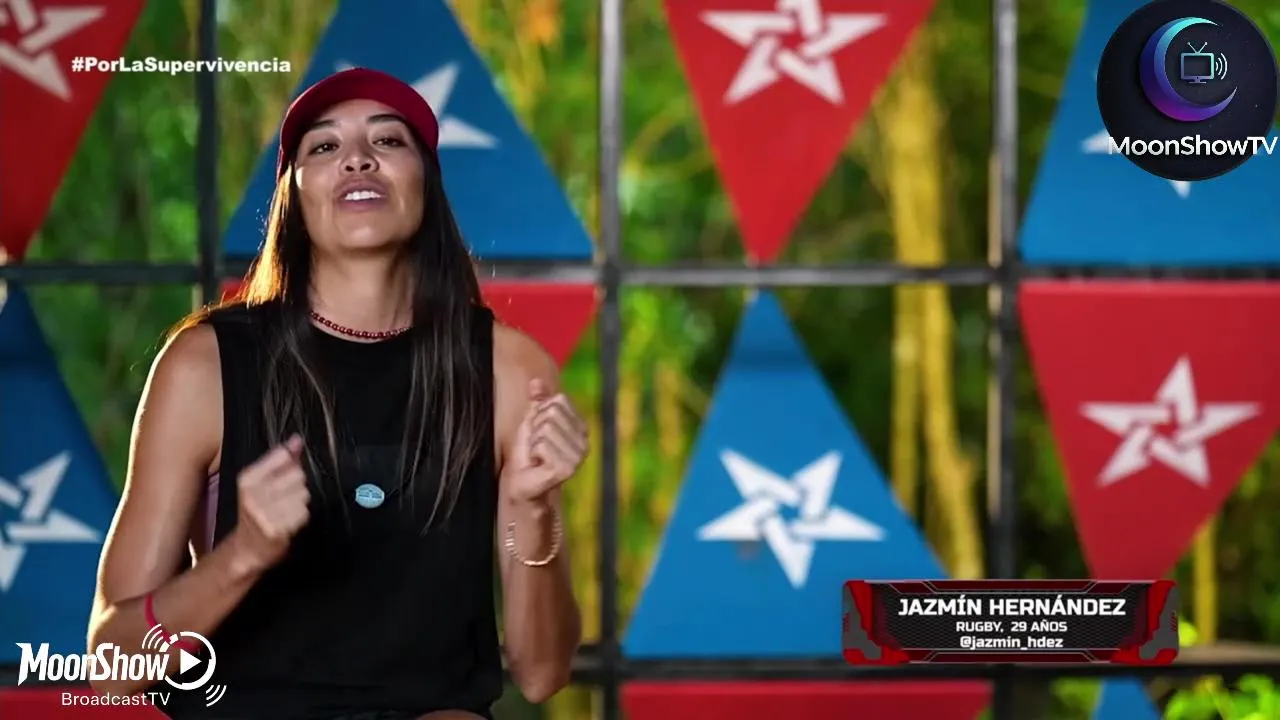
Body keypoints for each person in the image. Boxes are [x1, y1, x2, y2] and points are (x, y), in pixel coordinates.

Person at [86, 67, 586, 720]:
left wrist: (535, 507)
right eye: (324, 146)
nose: (357, 158)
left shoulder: (509, 370)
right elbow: (112, 666)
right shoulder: (203, 366)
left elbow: (542, 674)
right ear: (293, 198)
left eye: (388, 140)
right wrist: (243, 557)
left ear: (427, 184)